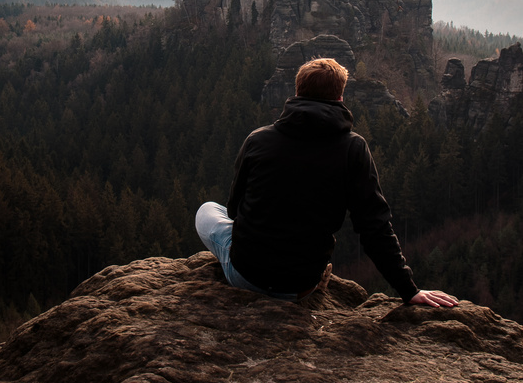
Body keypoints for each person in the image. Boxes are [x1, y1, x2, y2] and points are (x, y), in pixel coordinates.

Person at [196, 57, 458, 307]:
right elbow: (374, 227)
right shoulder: (353, 149)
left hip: (245, 276)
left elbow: (233, 210)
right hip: (300, 285)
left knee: (208, 210)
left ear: (297, 92)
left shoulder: (258, 140)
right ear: (340, 97)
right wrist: (408, 290)